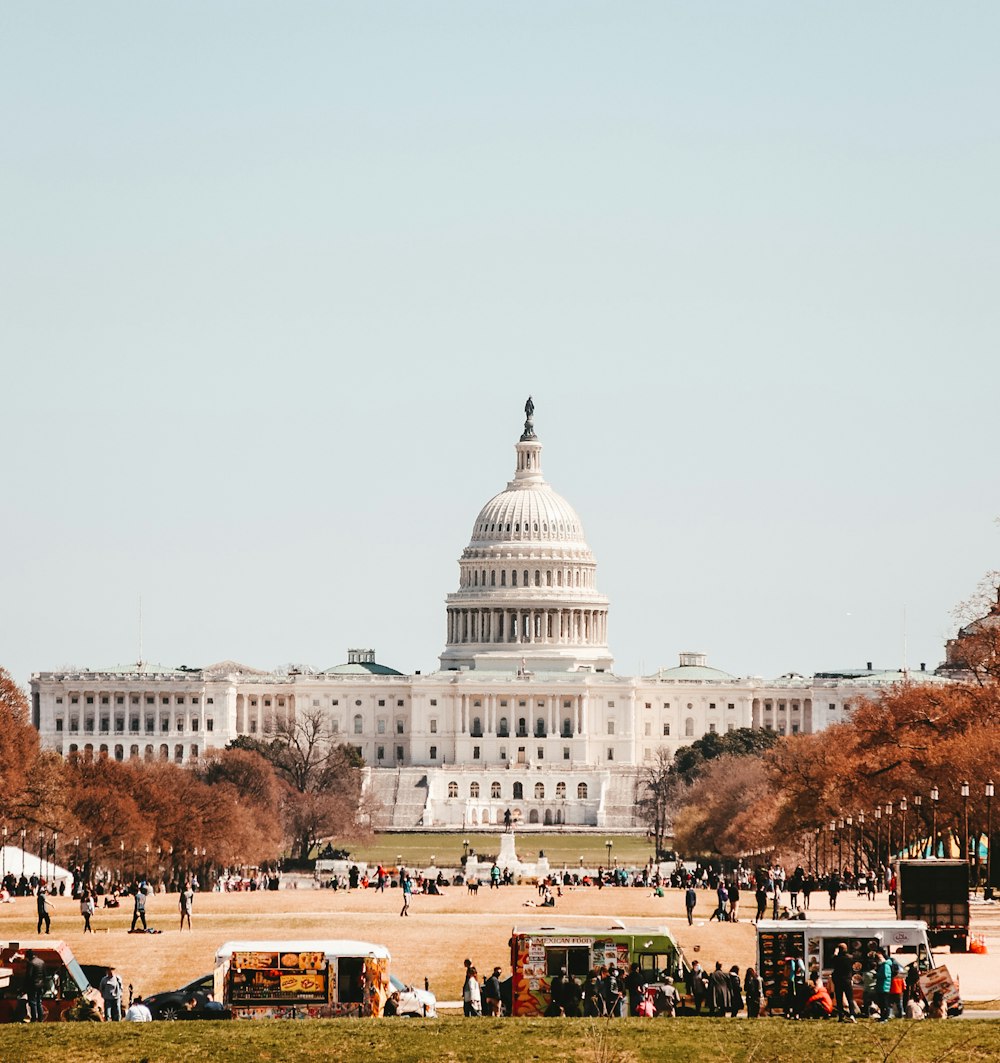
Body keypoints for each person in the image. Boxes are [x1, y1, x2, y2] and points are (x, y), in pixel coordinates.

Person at [832, 942, 857, 1023]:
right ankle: (852, 1014)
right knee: (850, 998)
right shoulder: (850, 958)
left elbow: (832, 960)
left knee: (839, 999)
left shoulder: (836, 958)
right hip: (847, 980)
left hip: (838, 980)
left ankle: (841, 1016)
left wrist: (835, 953)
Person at [26, 949, 46, 1023]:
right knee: (39, 1002)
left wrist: (25, 986)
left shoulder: (31, 963)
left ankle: (34, 1018)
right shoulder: (42, 962)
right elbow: (44, 975)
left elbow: (29, 976)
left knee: (32, 1002)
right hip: (41, 985)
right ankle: (40, 1019)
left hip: (33, 985)